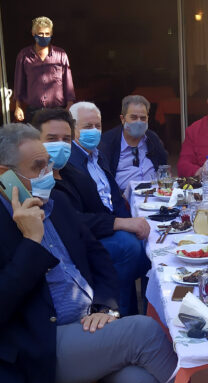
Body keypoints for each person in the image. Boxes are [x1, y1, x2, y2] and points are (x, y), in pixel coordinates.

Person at [0, 123, 177, 383]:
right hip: (40, 348)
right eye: (38, 167)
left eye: (48, 164)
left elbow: (98, 257)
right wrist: (31, 242)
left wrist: (105, 307)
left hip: (88, 330)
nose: (49, 173)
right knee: (146, 331)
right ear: (5, 174)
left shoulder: (56, 202)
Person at [63, 102, 151, 316]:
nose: (94, 131)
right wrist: (121, 224)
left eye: (98, 126)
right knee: (129, 248)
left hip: (108, 225)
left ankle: (149, 310)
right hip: (89, 236)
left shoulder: (97, 155)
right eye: (87, 126)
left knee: (152, 243)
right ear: (73, 129)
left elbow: (115, 199)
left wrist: (131, 223)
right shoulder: (68, 163)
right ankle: (120, 314)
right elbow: (73, 219)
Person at [100, 95, 168, 191]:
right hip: (123, 197)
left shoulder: (153, 139)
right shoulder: (107, 143)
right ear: (123, 119)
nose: (139, 122)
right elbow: (102, 181)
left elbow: (164, 168)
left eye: (143, 118)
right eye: (133, 117)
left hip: (154, 195)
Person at [13, 16, 75, 123]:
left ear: (51, 34)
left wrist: (70, 104)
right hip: (34, 112)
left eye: (47, 34)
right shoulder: (24, 55)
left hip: (57, 111)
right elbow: (19, 82)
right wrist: (18, 107)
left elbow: (68, 81)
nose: (44, 37)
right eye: (40, 34)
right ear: (33, 33)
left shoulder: (61, 54)